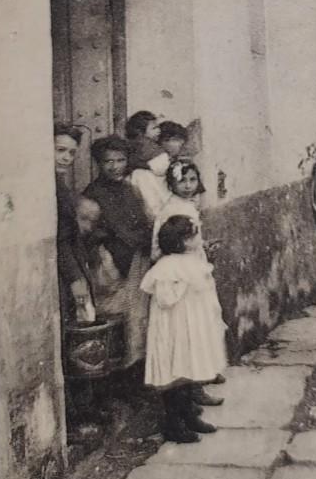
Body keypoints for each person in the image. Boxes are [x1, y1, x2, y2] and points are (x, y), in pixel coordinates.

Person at [140, 215, 228, 443]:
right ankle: (174, 424)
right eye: (195, 234)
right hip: (174, 328)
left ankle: (189, 416)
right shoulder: (167, 268)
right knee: (175, 374)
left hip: (190, 326)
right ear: (184, 241)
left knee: (189, 370)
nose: (199, 238)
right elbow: (165, 299)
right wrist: (184, 283)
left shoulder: (192, 262)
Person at [152, 158, 225, 405]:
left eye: (192, 180)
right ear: (171, 183)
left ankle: (201, 378)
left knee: (202, 326)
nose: (187, 185)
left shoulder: (188, 205)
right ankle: (192, 388)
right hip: (182, 277)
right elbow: (163, 244)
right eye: (181, 180)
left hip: (194, 270)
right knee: (189, 332)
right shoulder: (172, 209)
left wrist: (202, 249)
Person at [83, 135, 154, 373]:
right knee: (115, 316)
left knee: (137, 317)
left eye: (120, 160)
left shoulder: (130, 189)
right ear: (98, 163)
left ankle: (136, 370)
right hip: (110, 264)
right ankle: (118, 378)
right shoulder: (93, 193)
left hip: (136, 260)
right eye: (108, 161)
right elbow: (103, 231)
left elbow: (143, 220)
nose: (115, 166)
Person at [54, 123, 93, 327]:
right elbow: (61, 239)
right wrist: (75, 278)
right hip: (62, 271)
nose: (66, 158)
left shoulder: (60, 185)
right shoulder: (53, 187)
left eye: (71, 153)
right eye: (60, 150)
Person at [130, 120, 190, 227]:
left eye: (182, 140)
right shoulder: (142, 173)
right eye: (175, 140)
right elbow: (152, 207)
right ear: (161, 142)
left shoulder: (179, 165)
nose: (181, 143)